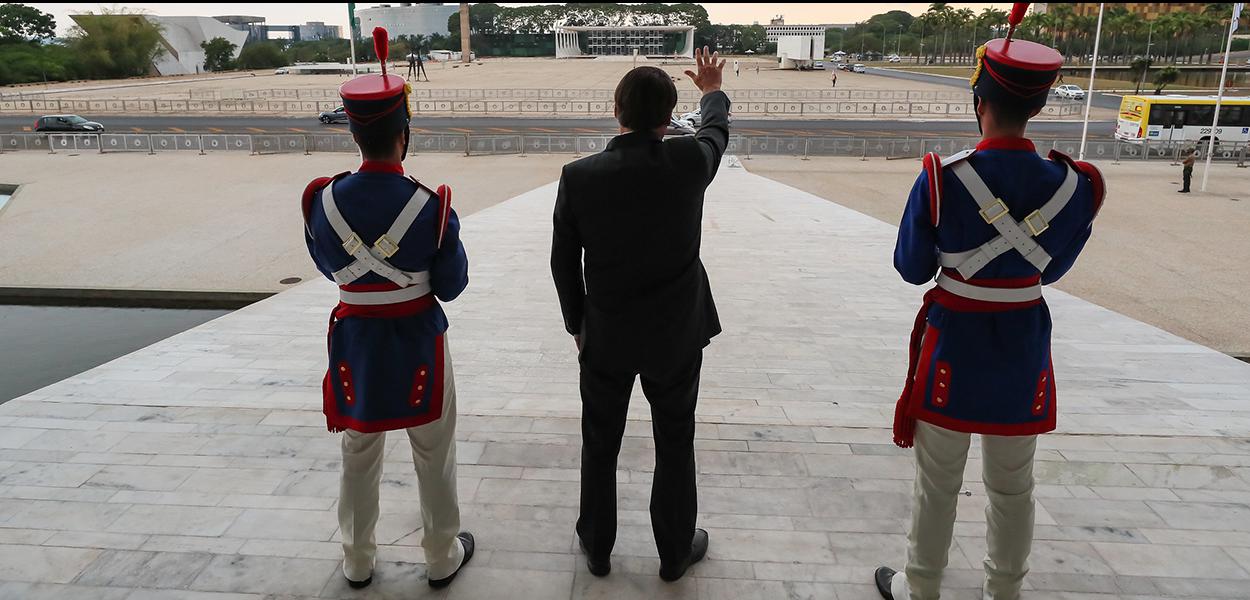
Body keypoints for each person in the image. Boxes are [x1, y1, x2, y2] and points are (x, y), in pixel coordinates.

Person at [875, 6, 1106, 599]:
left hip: (955, 339)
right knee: (1013, 487)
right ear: (1038, 105)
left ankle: (921, 586)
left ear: (979, 100)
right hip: (1022, 342)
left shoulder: (940, 177)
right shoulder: (1075, 183)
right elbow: (1051, 268)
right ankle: (1004, 592)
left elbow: (910, 269)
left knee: (937, 484)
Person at [301, 27, 474, 591]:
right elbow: (451, 286)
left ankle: (356, 560)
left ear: (353, 131)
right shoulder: (432, 203)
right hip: (420, 339)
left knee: (358, 452)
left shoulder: (320, 199)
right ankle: (441, 556)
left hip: (356, 343)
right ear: (405, 130)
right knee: (434, 455)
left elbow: (328, 269)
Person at [550, 46, 730, 582]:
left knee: (599, 442)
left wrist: (576, 324)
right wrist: (713, 91)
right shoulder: (689, 161)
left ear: (617, 111)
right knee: (676, 440)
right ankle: (674, 551)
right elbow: (716, 134)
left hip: (605, 333)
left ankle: (598, 544)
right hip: (675, 335)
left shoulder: (579, 175)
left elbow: (563, 260)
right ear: (670, 115)